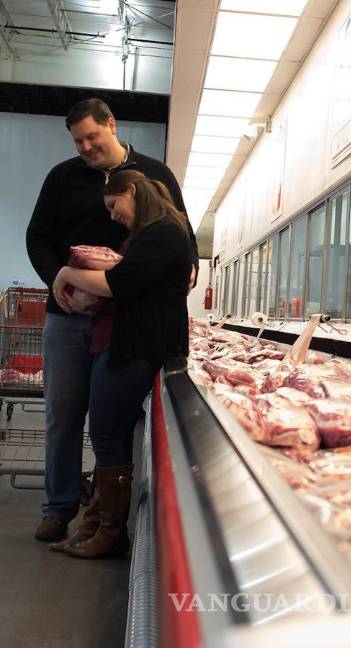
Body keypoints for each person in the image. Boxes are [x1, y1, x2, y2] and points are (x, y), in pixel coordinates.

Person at [26, 98, 199, 542]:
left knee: (109, 419)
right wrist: (57, 283)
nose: (85, 147)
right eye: (78, 141)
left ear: (112, 125)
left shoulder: (155, 174)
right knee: (64, 414)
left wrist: (190, 265)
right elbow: (38, 236)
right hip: (67, 316)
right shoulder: (62, 178)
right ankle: (59, 507)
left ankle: (105, 517)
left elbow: (184, 229)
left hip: (124, 319)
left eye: (92, 137)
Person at [46, 169, 192, 558]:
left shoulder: (163, 232)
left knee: (107, 433)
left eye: (114, 205)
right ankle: (94, 525)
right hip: (129, 342)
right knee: (108, 433)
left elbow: (120, 284)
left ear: (131, 191)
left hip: (136, 346)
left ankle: (110, 532)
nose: (113, 216)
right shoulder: (152, 232)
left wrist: (64, 273)